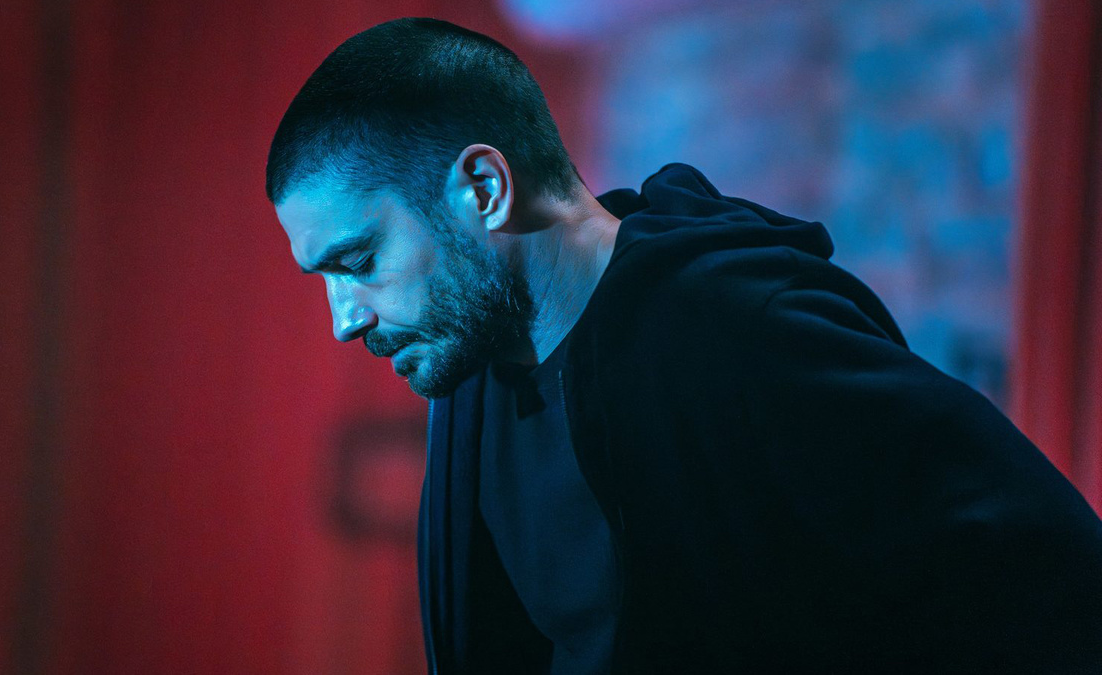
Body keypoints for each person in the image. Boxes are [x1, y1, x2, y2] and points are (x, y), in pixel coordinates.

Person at [265, 16, 1102, 674]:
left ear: (483, 188)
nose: (344, 318)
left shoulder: (740, 332)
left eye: (358, 261)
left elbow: (1049, 577)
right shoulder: (475, 372)